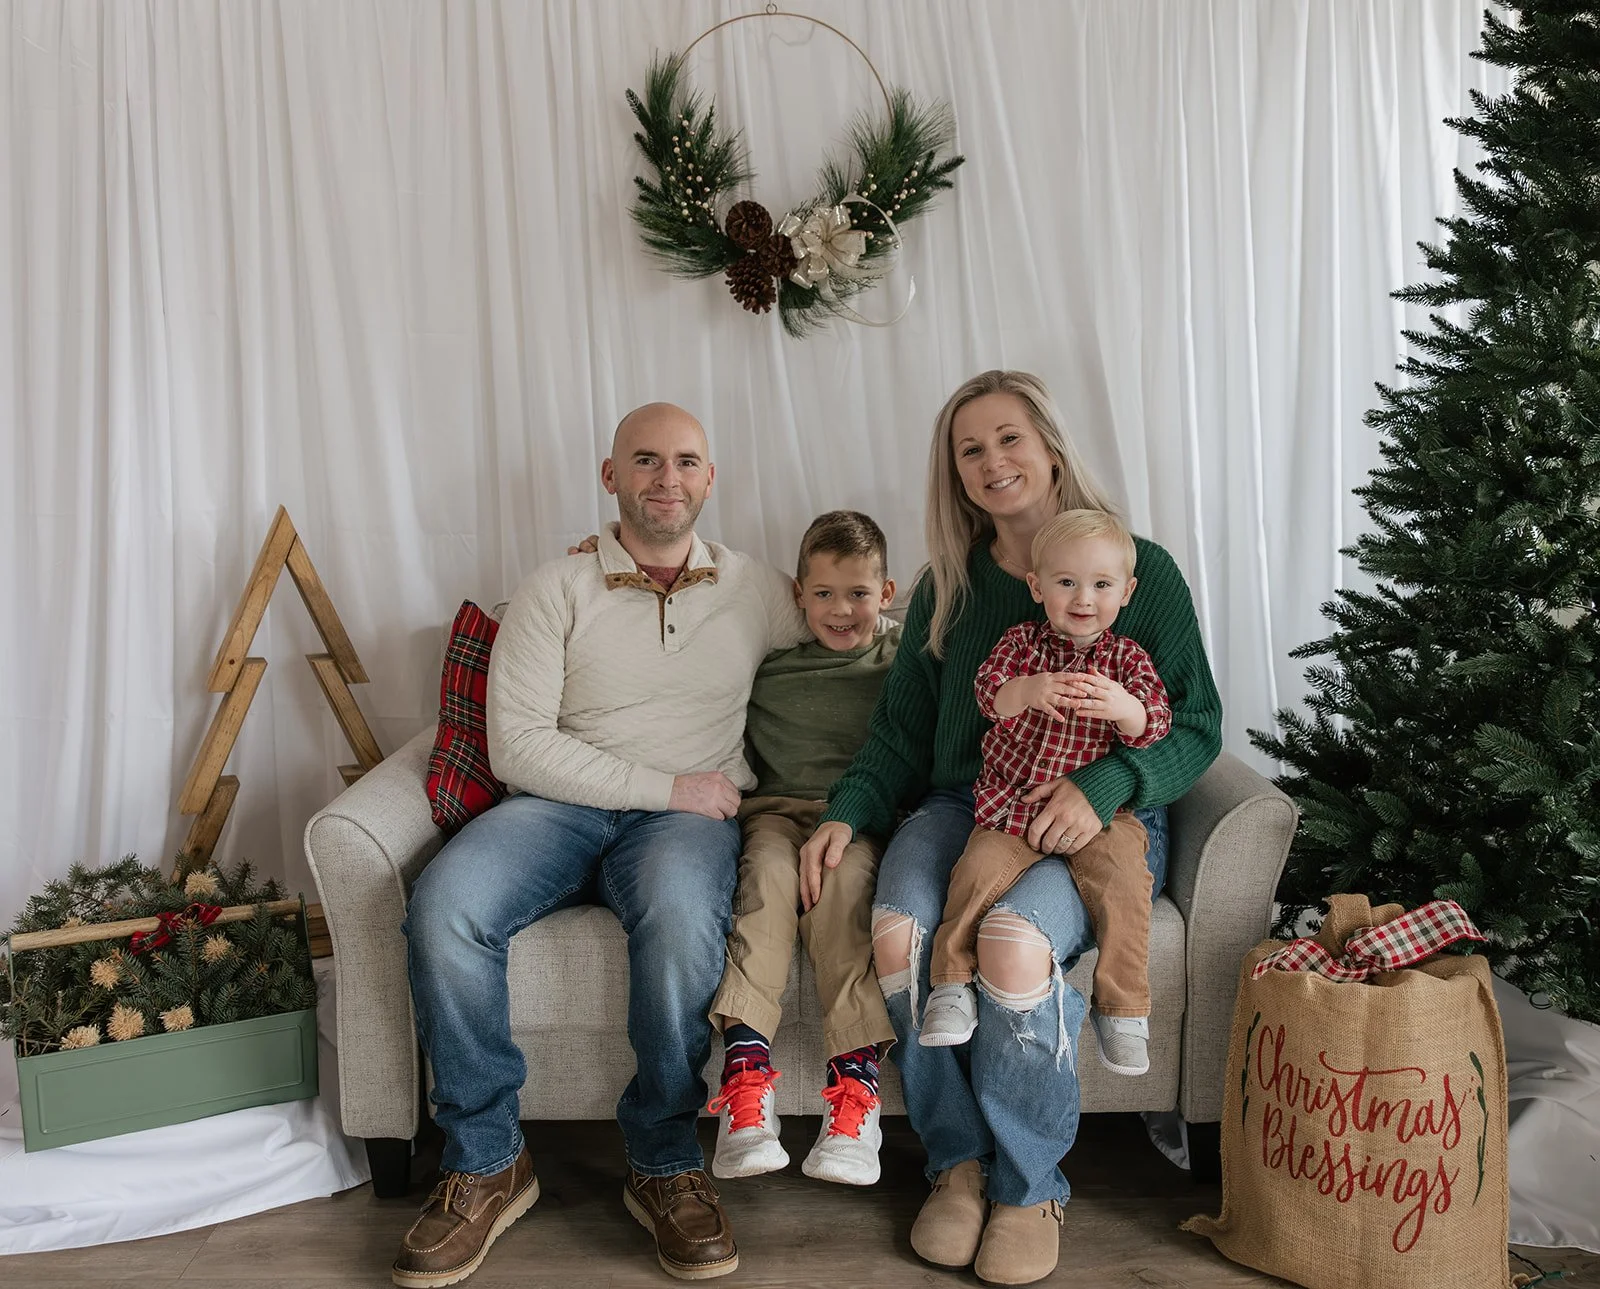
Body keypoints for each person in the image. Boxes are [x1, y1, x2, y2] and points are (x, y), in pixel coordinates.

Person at [800, 370, 1222, 1286]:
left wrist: (1108, 782)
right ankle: (955, 1165)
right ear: (954, 475)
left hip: (1094, 810)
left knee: (1011, 942)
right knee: (901, 931)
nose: (994, 462)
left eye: (1010, 438)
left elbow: (1196, 725)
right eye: (971, 449)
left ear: (1052, 447)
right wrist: (845, 812)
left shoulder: (1137, 569)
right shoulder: (947, 586)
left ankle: (1030, 1183)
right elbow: (902, 732)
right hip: (971, 805)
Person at [393, 403, 806, 1288]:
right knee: (444, 906)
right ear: (609, 475)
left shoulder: (760, 589)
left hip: (682, 829)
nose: (668, 478)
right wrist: (667, 787)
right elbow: (518, 748)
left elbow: (852, 643)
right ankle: (486, 1157)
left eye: (687, 461)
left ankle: (662, 1160)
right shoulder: (555, 587)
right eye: (646, 460)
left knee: (683, 916)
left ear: (711, 477)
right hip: (554, 807)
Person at [918, 508, 1171, 1080]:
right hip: (1014, 802)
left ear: (1127, 592)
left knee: (1127, 882)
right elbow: (989, 696)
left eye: (1102, 585)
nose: (1084, 598)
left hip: (1099, 818)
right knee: (974, 873)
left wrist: (1123, 708)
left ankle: (1124, 1009)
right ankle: (952, 982)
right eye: (1066, 583)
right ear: (1037, 587)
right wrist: (1029, 690)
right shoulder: (1021, 646)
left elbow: (1153, 724)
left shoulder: (1127, 660)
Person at [706, 510, 900, 1188]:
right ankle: (746, 1082)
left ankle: (855, 1096)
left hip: (857, 821)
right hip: (775, 814)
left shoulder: (900, 661)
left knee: (843, 894)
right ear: (797, 593)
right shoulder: (771, 665)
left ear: (889, 592)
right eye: (823, 594)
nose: (841, 610)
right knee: (763, 881)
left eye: (859, 594)